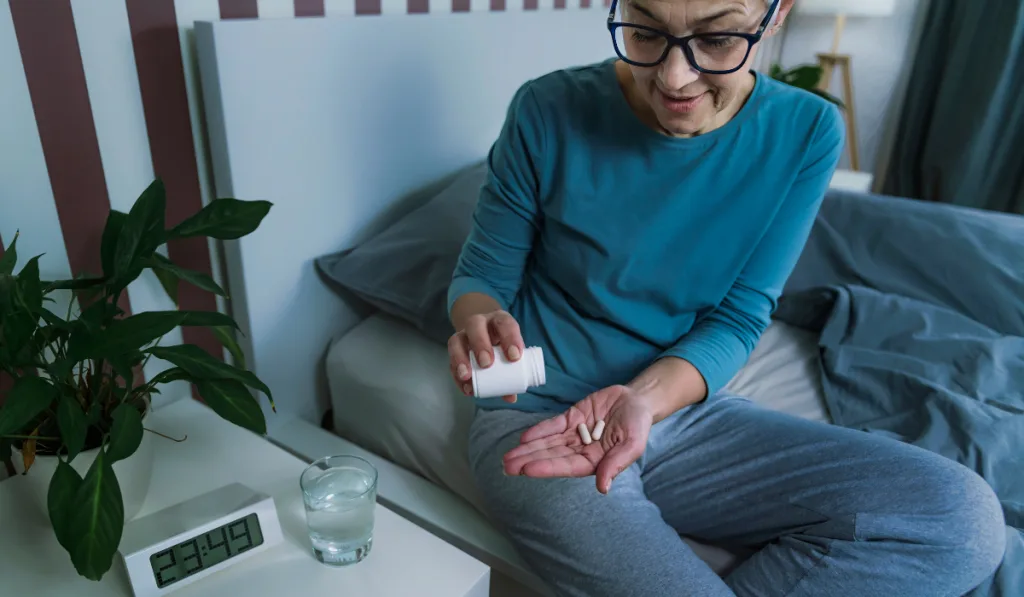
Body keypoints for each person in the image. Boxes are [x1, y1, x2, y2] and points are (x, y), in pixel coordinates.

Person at [445, 0, 1006, 595]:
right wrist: (479, 323)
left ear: (777, 13)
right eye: (643, 31)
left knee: (961, 520)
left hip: (684, 413)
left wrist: (642, 399)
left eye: (716, 41)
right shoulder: (547, 109)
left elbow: (739, 317)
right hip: (542, 423)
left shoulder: (807, 130)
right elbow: (483, 272)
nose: (672, 78)